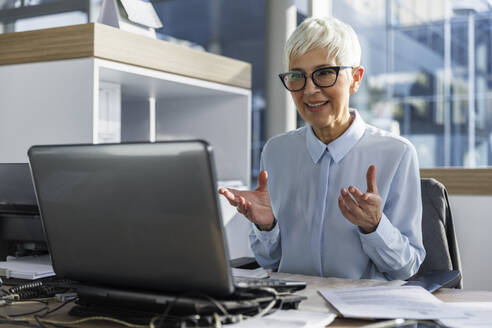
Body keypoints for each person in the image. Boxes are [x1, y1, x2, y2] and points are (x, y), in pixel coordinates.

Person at [219, 16, 425, 280]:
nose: (309, 89)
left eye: (325, 73)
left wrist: (375, 227)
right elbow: (267, 261)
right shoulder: (275, 152)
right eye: (297, 76)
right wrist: (266, 226)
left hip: (358, 314)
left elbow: (406, 268)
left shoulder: (397, 154)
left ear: (355, 78)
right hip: (294, 311)